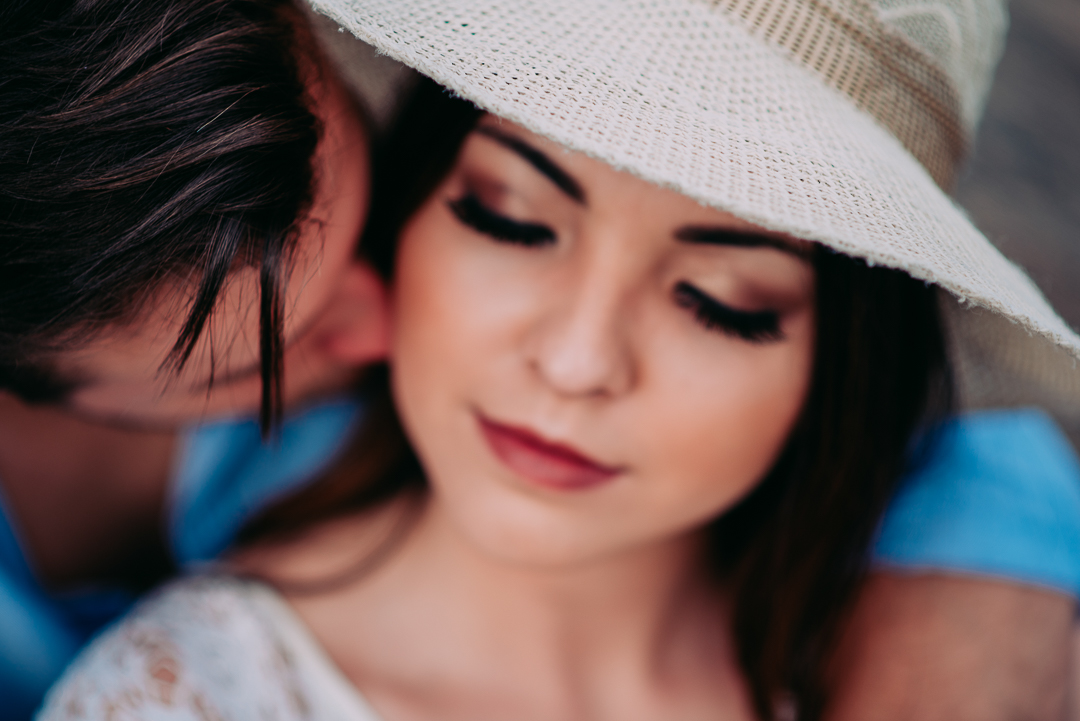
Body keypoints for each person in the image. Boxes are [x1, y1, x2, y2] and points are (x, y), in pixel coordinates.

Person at [35, 0, 1080, 719]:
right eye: (511, 221)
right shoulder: (184, 691)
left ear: (843, 368)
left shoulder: (958, 656)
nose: (578, 362)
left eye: (722, 304)